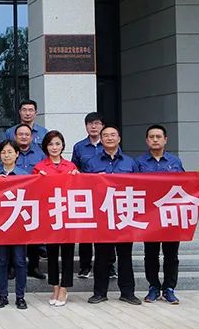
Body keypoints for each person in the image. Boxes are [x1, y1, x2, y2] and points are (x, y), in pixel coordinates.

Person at [82, 125, 142, 306]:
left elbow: (140, 186)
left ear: (119, 139)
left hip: (124, 214)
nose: (109, 138)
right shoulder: (92, 163)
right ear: (101, 139)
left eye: (113, 135)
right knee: (101, 255)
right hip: (102, 215)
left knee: (125, 256)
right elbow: (84, 187)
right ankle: (100, 293)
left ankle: (128, 293)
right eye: (106, 135)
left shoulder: (130, 162)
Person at [137, 124, 185, 304]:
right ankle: (153, 287)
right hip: (149, 215)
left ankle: (169, 288)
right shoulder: (139, 162)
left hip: (171, 214)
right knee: (151, 253)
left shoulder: (175, 161)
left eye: (158, 137)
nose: (155, 140)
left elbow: (185, 185)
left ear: (165, 139)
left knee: (171, 254)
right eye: (151, 137)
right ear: (146, 140)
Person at [33, 131, 79, 306]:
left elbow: (79, 189)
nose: (54, 147)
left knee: (67, 252)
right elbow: (33, 191)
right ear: (46, 147)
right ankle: (54, 287)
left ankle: (64, 287)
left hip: (67, 214)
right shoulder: (39, 167)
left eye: (57, 144)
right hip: (49, 214)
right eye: (51, 144)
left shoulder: (70, 166)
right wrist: (38, 180)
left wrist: (77, 177)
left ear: (62, 146)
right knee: (51, 253)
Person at [0, 139, 29, 310]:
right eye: (3, 152)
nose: (6, 155)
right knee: (2, 261)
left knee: (20, 261)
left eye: (10, 152)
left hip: (18, 225)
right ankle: (2, 295)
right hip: (0, 225)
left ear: (17, 154)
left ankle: (20, 296)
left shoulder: (25, 175)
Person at [71, 112, 105, 279]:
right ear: (86, 126)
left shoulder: (109, 144)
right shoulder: (79, 147)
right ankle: (85, 266)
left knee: (105, 231)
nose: (93, 126)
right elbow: (74, 168)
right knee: (85, 231)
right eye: (90, 123)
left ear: (102, 126)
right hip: (86, 194)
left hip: (105, 195)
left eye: (97, 123)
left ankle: (108, 265)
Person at [13, 123, 46, 280]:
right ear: (15, 137)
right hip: (15, 199)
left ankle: (33, 266)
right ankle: (13, 267)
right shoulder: (10, 151)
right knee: (14, 234)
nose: (24, 137)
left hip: (34, 198)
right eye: (20, 134)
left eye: (27, 134)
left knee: (33, 233)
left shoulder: (40, 154)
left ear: (32, 137)